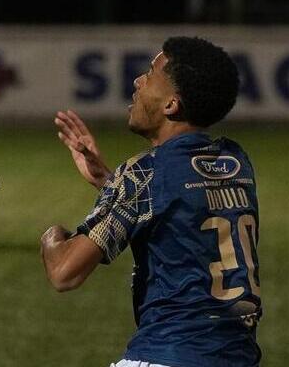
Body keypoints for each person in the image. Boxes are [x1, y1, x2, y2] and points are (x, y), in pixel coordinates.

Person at [42, 37, 261, 367]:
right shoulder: (236, 163)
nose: (138, 81)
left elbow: (64, 273)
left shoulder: (145, 173)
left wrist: (51, 237)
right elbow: (182, 204)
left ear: (171, 105)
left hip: (167, 354)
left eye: (150, 73)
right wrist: (109, 182)